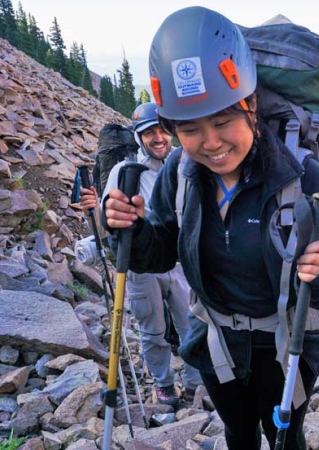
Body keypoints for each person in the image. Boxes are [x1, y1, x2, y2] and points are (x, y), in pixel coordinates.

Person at [102, 7, 319, 450]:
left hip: (288, 343)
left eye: (222, 122)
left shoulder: (302, 177)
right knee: (238, 434)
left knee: (284, 437)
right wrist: (128, 230)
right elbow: (162, 251)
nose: (212, 142)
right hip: (216, 338)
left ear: (251, 106)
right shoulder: (179, 174)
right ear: (173, 130)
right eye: (191, 129)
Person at [78, 102, 200, 407]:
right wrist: (98, 216)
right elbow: (109, 222)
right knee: (152, 328)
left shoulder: (183, 165)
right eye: (149, 133)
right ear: (138, 137)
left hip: (180, 261)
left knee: (192, 325)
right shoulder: (124, 172)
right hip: (140, 267)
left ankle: (197, 384)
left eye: (162, 130)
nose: (157, 138)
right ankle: (164, 384)